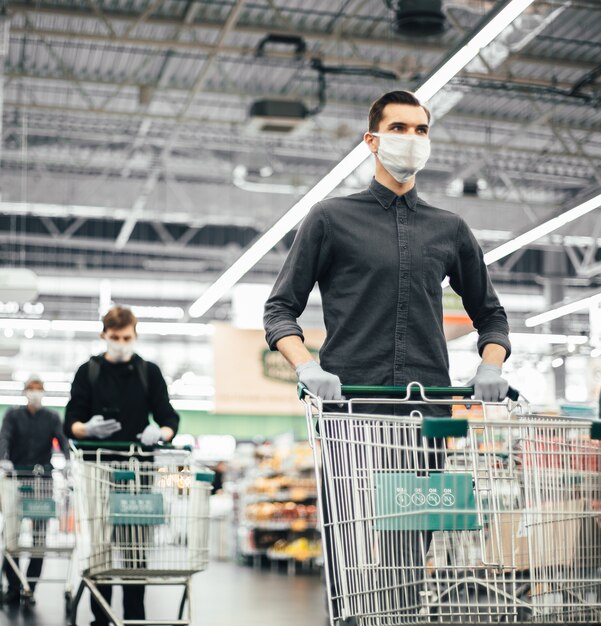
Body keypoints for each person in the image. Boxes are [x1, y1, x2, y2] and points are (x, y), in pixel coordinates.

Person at [263, 91, 511, 625]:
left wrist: (490, 365)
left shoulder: (450, 229)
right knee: (353, 559)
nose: (413, 139)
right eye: (401, 128)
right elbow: (280, 309)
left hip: (428, 420)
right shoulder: (329, 218)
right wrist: (307, 366)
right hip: (353, 416)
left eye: (422, 130)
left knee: (406, 559)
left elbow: (491, 315)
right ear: (372, 140)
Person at [64, 305, 179, 626]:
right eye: (114, 337)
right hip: (96, 470)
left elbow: (169, 417)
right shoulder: (88, 372)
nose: (120, 342)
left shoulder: (149, 372)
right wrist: (86, 430)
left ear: (135, 335)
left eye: (126, 337)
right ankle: (102, 616)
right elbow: (69, 421)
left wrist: (161, 433)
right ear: (104, 335)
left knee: (135, 547)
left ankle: (134, 616)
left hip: (138, 471)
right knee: (100, 547)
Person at [0, 374, 70, 605]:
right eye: (31, 388)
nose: (35, 392)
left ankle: (30, 586)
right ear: (24, 391)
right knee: (12, 536)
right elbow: (4, 438)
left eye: (39, 388)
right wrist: (3, 458)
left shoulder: (51, 417)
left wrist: (69, 462)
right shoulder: (12, 415)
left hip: (42, 482)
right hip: (16, 478)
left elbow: (62, 440)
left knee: (40, 538)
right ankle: (12, 586)